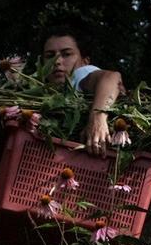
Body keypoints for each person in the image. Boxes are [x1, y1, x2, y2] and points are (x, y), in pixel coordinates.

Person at [41, 25, 125, 157]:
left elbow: (112, 78)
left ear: (85, 62)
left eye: (67, 54)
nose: (56, 61)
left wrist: (97, 119)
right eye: (50, 56)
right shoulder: (49, 94)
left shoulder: (79, 74)